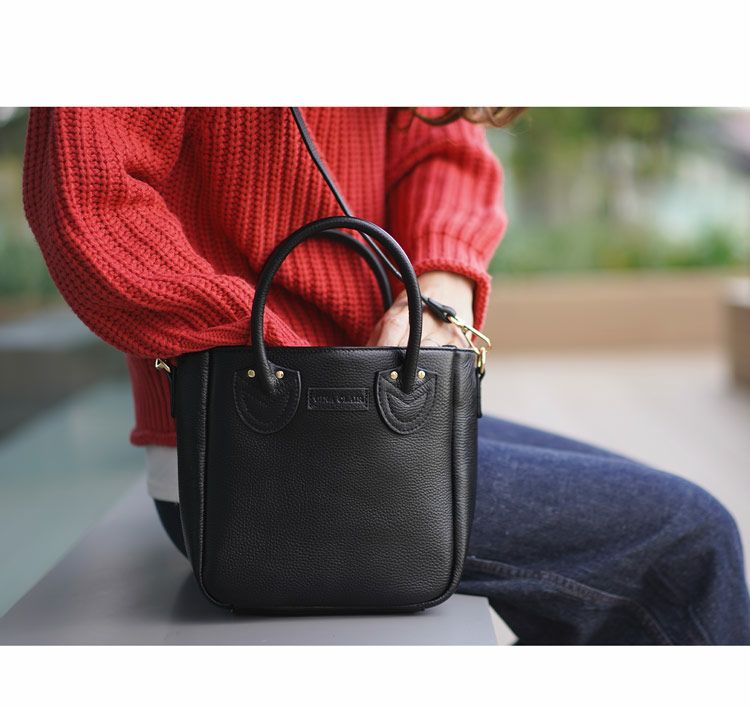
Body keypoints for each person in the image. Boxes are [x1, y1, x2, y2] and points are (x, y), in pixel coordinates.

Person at [23, 106, 750, 644]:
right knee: (684, 546)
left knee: (659, 531)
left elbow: (441, 146)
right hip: (246, 461)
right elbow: (90, 203)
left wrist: (432, 296)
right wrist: (288, 369)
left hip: (385, 409)